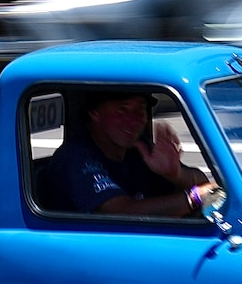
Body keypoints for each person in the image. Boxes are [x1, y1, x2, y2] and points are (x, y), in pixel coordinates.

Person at [46, 91, 216, 217]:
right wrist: (193, 197)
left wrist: (176, 175)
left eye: (140, 109)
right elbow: (121, 212)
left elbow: (201, 181)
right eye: (122, 110)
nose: (133, 120)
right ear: (94, 113)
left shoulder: (137, 150)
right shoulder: (75, 158)